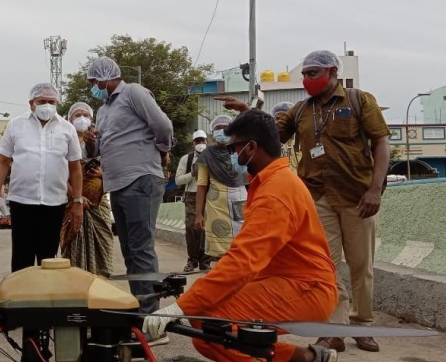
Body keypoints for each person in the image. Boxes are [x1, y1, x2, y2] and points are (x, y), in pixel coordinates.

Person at [219, 50, 391, 353]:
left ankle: (363, 324)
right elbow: (270, 134)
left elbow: (381, 142)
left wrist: (375, 189)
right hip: (318, 197)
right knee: (327, 266)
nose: (308, 79)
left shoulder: (359, 100)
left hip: (357, 196)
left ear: (332, 72)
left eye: (314, 73)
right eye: (305, 74)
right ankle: (333, 331)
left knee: (361, 265)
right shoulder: (300, 111)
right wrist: (247, 110)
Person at [142, 109, 339, 362]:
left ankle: (301, 359)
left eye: (234, 148)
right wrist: (192, 302)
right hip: (288, 281)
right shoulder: (270, 182)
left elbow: (243, 261)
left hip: (306, 289)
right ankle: (303, 358)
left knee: (208, 327)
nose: (231, 155)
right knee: (203, 319)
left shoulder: (275, 192)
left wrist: (180, 306)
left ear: (252, 147)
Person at [0, 83, 83, 362]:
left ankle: (43, 324)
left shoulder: (66, 128)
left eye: (52, 101)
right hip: (22, 202)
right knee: (21, 261)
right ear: (31, 102)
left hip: (54, 204)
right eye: (42, 100)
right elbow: (3, 161)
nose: (47, 105)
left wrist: (77, 201)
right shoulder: (16, 126)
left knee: (47, 263)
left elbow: (75, 167)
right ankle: (21, 319)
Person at [83, 56, 173, 320]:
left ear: (104, 76)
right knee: (130, 251)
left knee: (141, 249)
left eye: (93, 81)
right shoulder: (103, 110)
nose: (93, 87)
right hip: (118, 184)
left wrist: (163, 150)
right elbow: (97, 151)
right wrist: (90, 141)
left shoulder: (133, 92)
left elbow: (163, 125)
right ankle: (139, 309)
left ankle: (149, 318)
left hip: (140, 178)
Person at [60, 102, 114, 277]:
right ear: (69, 119)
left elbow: (116, 173)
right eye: (77, 115)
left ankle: (102, 289)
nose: (82, 119)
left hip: (99, 208)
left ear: (92, 120)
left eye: (86, 115)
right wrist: (76, 198)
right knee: (73, 254)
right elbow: (58, 175)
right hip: (72, 206)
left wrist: (101, 175)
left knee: (104, 249)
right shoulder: (63, 142)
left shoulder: (102, 143)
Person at [193, 115, 248, 268]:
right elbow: (202, 184)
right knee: (222, 251)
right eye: (217, 128)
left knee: (242, 245)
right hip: (216, 207)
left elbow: (251, 179)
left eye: (225, 128)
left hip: (241, 202)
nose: (221, 131)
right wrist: (198, 214)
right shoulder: (207, 155)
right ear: (212, 132)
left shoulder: (240, 151)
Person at [175, 130, 208, 272]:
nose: (200, 143)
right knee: (191, 228)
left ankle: (205, 261)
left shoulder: (211, 156)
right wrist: (192, 174)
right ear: (193, 143)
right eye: (198, 141)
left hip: (208, 196)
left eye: (203, 140)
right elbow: (178, 180)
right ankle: (192, 259)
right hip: (191, 196)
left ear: (207, 141)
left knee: (206, 230)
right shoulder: (186, 159)